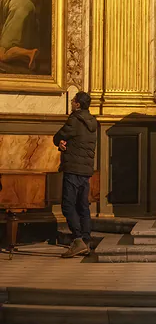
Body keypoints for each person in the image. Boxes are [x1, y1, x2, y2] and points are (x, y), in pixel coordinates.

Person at [53, 91, 97, 258]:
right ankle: (86, 241)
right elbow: (79, 140)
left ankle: (78, 239)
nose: (71, 102)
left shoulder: (75, 119)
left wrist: (60, 142)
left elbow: (59, 136)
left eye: (73, 100)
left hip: (73, 168)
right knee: (83, 206)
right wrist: (66, 144)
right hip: (86, 169)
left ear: (78, 104)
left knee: (67, 205)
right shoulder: (93, 122)